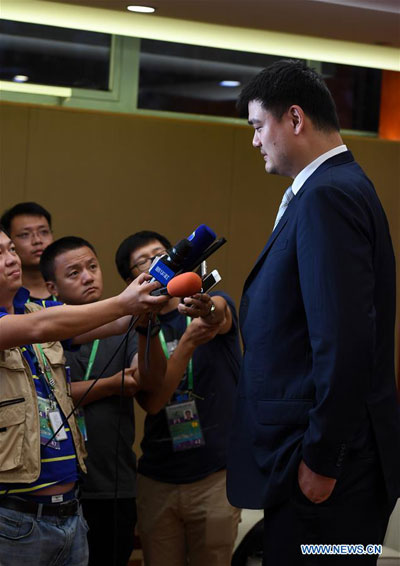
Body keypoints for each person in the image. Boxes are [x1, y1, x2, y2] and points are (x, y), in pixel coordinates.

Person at [226, 59, 400, 565]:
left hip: (330, 472)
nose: (255, 140)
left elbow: (344, 341)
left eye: (259, 126)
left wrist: (322, 460)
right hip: (330, 464)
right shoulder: (337, 186)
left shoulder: (328, 194)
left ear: (295, 119)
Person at [0, 225, 167, 566]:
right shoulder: (35, 321)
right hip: (13, 516)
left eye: (10, 250)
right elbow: (40, 328)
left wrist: (145, 301)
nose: (10, 259)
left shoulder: (33, 312)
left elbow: (108, 324)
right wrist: (123, 303)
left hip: (69, 512)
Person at [115, 231, 242, 566]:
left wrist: (209, 309)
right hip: (157, 479)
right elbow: (152, 402)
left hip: (215, 476)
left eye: (163, 253)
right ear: (133, 280)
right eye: (145, 261)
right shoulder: (137, 327)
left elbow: (219, 314)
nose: (158, 262)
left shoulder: (207, 302)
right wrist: (186, 344)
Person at [1, 202, 54, 302]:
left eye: (44, 232)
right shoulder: (6, 299)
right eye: (25, 234)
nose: (37, 240)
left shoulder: (70, 288)